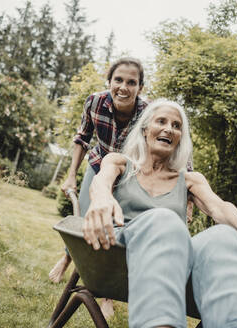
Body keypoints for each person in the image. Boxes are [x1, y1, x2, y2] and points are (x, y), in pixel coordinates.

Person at [83, 99, 237, 328]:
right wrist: (102, 197)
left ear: (179, 139)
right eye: (161, 121)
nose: (169, 129)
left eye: (177, 126)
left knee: (224, 236)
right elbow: (100, 181)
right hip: (121, 254)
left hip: (174, 263)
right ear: (145, 129)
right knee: (164, 219)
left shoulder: (189, 180)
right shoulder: (119, 163)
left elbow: (219, 207)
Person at [49, 57, 149, 317]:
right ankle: (68, 258)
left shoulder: (148, 113)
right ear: (110, 81)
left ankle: (106, 294)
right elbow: (82, 138)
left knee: (114, 228)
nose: (123, 88)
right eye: (118, 80)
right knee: (83, 219)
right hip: (98, 166)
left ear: (140, 87)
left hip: (127, 175)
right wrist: (71, 175)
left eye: (131, 82)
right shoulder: (95, 101)